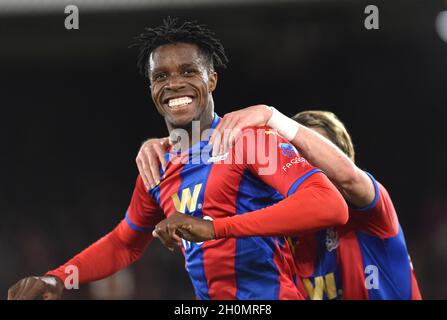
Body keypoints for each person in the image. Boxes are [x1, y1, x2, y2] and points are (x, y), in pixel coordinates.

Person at [7, 18, 348, 300]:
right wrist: (58, 278)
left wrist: (215, 228)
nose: (174, 84)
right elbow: (125, 242)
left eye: (188, 72)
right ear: (152, 88)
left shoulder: (248, 140)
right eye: (161, 76)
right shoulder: (157, 163)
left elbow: (329, 203)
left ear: (211, 79)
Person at [138, 105, 422, 300]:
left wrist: (270, 116)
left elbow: (347, 178)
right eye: (294, 158)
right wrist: (175, 145)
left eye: (315, 159)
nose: (305, 168)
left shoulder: (374, 214)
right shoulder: (277, 237)